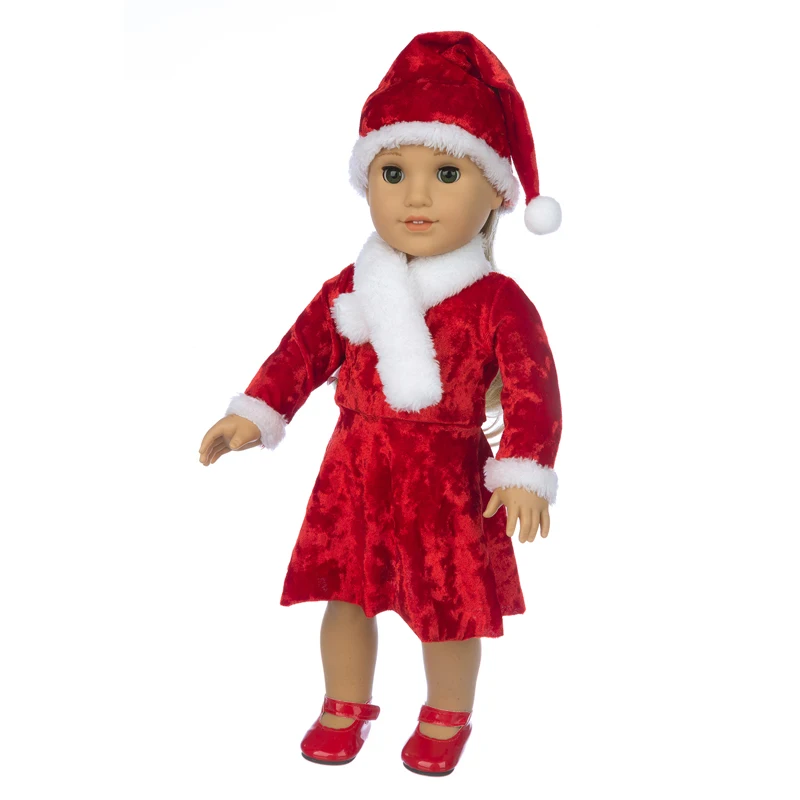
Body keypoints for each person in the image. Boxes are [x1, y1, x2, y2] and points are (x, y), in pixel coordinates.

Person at [198, 30, 563, 777]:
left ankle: (447, 714)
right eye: (393, 172)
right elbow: (301, 351)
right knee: (346, 595)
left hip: (447, 477)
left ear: (495, 192)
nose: (416, 196)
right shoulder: (354, 284)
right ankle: (345, 703)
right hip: (356, 469)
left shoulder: (497, 301)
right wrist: (256, 411)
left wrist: (524, 469)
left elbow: (535, 388)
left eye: (447, 173)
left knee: (447, 609)